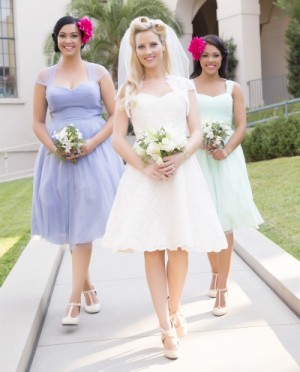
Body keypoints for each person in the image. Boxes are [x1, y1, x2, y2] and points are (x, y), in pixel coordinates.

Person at [102, 17, 228, 360]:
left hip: (181, 175)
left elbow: (197, 131)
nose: (147, 51)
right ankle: (165, 327)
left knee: (180, 247)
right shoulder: (128, 90)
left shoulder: (183, 86)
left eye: (152, 45)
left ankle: (175, 308)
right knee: (153, 249)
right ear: (135, 51)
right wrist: (144, 166)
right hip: (145, 178)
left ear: (163, 46)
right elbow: (117, 139)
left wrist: (181, 157)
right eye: (140, 46)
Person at [31, 15, 124, 326]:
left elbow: (115, 117)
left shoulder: (98, 73)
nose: (67, 41)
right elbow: (38, 122)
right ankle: (87, 288)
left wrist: (92, 143)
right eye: (62, 36)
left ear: (83, 38)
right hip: (57, 157)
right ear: (56, 40)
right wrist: (55, 148)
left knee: (83, 221)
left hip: (94, 154)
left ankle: (73, 303)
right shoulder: (44, 76)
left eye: (73, 35)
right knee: (71, 223)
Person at [188, 35, 264, 316]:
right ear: (198, 57)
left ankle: (222, 288)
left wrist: (226, 149)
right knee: (209, 221)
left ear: (223, 58)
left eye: (215, 55)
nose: (210, 60)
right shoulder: (188, 88)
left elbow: (241, 126)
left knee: (226, 224)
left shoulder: (233, 88)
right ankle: (215, 273)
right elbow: (187, 123)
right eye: (206, 55)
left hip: (227, 160)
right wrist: (201, 143)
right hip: (199, 159)